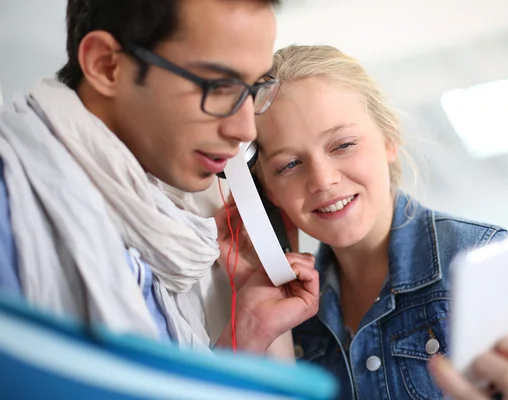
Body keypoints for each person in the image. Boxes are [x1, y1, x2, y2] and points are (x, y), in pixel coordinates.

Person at [222, 44, 508, 398]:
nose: (322, 180)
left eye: (343, 145)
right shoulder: (291, 311)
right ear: (267, 193)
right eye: (289, 165)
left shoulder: (481, 258)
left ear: (388, 139)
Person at [0, 0, 320, 356]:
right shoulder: (11, 201)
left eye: (254, 88)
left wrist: (245, 333)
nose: (244, 129)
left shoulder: (161, 222)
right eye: (217, 86)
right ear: (106, 66)